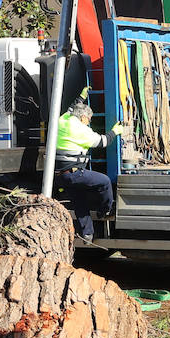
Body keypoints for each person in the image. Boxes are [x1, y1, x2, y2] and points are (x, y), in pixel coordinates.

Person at [54, 100, 123, 242]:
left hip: (61, 175)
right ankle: (104, 211)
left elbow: (70, 108)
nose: (89, 122)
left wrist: (80, 98)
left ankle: (87, 235)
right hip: (74, 173)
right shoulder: (80, 129)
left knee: (80, 203)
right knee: (104, 181)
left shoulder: (63, 120)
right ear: (83, 117)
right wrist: (115, 131)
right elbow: (103, 141)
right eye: (89, 119)